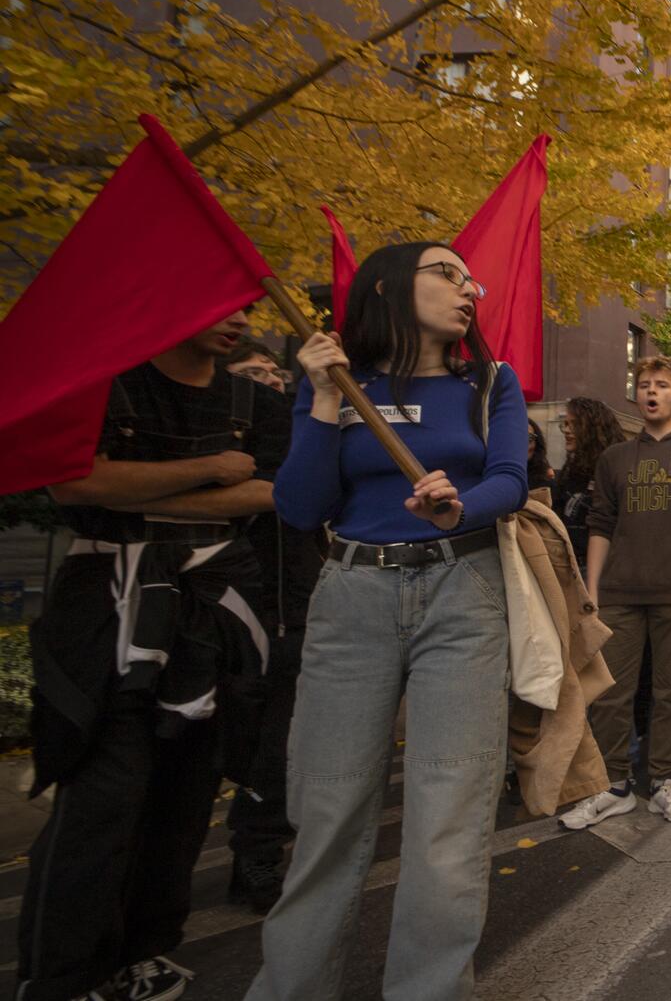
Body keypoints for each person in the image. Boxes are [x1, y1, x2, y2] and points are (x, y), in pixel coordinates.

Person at [251, 243, 528, 999]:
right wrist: (321, 400)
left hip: (462, 592)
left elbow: (511, 479)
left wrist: (460, 504)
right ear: (386, 285)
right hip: (350, 599)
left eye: (471, 276)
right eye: (446, 271)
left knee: (447, 825)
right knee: (327, 813)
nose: (468, 286)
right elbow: (300, 506)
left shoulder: (491, 384)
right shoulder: (341, 383)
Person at [21, 310, 287, 1001]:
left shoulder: (257, 404)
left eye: (243, 307)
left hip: (214, 614)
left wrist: (141, 484)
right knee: (102, 796)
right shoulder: (108, 387)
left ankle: (145, 949)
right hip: (110, 612)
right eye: (218, 304)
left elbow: (273, 491)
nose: (237, 320)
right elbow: (76, 484)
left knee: (186, 795)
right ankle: (60, 977)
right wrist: (209, 471)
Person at [559, 356, 671, 830]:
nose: (651, 391)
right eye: (643, 384)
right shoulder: (615, 457)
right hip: (618, 593)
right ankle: (613, 786)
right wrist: (592, 588)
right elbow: (600, 525)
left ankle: (664, 781)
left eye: (661, 385)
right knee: (611, 694)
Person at [223, 342, 326, 915]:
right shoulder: (220, 435)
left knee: (278, 743)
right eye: (250, 374)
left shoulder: (297, 432)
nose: (267, 381)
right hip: (220, 605)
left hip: (296, 608)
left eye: (273, 372)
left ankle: (257, 851)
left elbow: (313, 498)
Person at [554, 397, 626, 570]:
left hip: (603, 570)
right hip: (569, 567)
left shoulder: (615, 469)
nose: (567, 431)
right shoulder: (569, 472)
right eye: (565, 424)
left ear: (593, 428)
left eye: (574, 424)